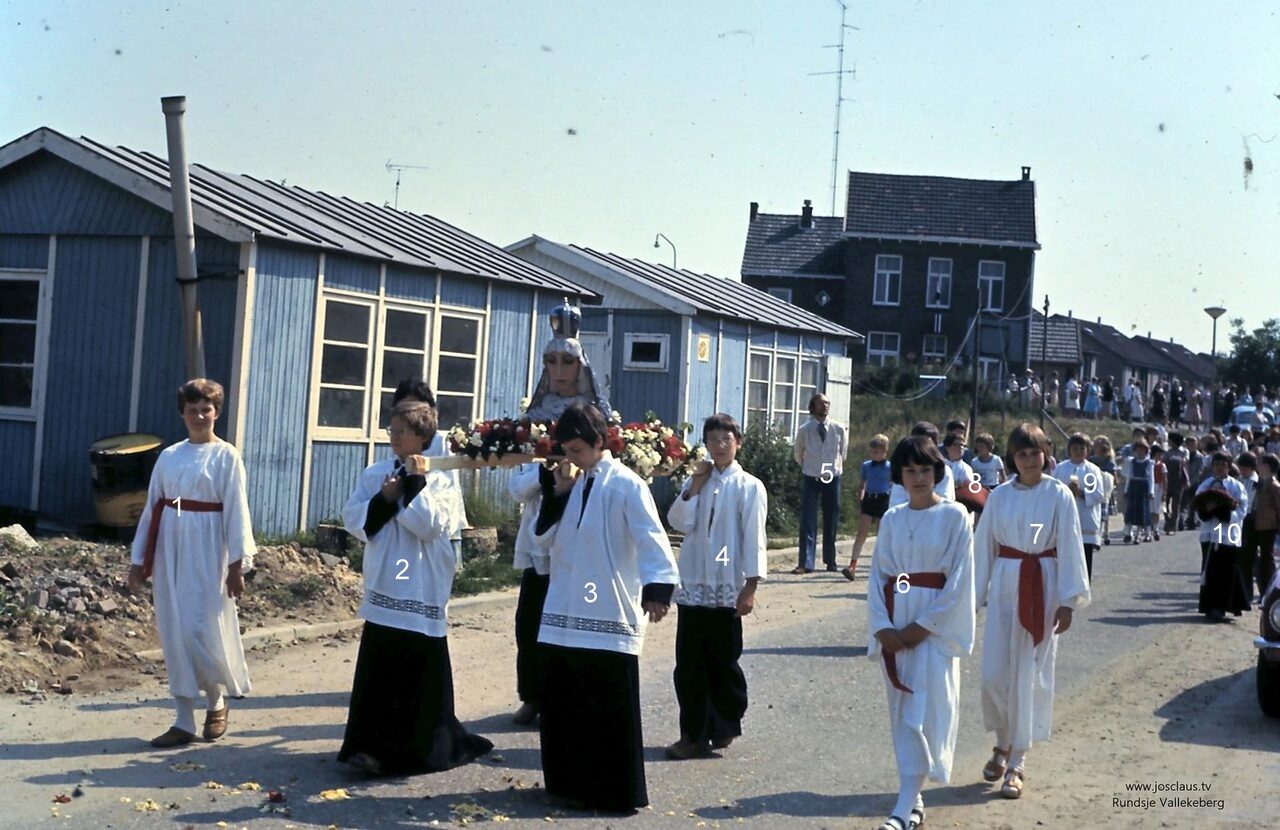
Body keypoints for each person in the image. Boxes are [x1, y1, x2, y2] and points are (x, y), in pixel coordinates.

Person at [532, 403, 680, 812]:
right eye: (567, 450)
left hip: (609, 611)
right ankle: (568, 784)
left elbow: (652, 536)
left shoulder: (627, 485)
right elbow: (542, 538)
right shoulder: (575, 484)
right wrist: (557, 494)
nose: (570, 458)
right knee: (567, 704)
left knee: (605, 707)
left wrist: (657, 588)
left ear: (599, 442)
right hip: (566, 607)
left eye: (577, 449)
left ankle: (612, 790)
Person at [338, 400, 493, 775]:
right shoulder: (376, 473)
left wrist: (413, 488)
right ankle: (370, 747)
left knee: (417, 674)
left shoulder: (442, 479)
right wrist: (384, 499)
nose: (393, 437)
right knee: (381, 673)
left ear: (423, 437)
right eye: (391, 430)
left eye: (401, 431)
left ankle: (421, 749)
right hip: (387, 582)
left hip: (421, 586)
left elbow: (432, 526)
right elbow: (354, 519)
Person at [128, 379, 255, 748]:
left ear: (217, 412)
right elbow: (153, 507)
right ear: (182, 414)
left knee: (202, 628)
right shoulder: (169, 456)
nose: (200, 416)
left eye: (206, 410)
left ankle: (216, 701)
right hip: (171, 544)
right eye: (192, 410)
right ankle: (183, 719)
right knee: (175, 630)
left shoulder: (226, 456)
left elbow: (236, 509)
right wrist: (139, 560)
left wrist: (236, 565)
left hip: (208, 545)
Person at [508, 300, 612, 726]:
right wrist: (549, 475)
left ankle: (570, 693)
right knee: (531, 619)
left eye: (567, 360)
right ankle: (532, 694)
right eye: (551, 360)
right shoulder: (530, 421)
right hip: (541, 533)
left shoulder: (598, 418)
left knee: (577, 615)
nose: (559, 369)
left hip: (583, 530)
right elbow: (517, 486)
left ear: (581, 365)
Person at [974, 423, 1090, 799]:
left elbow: (1072, 545)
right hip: (1008, 583)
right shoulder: (1000, 496)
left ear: (1045, 454)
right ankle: (1003, 740)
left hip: (1043, 583)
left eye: (1034, 452)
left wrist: (1069, 600)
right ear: (1012, 457)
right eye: (1021, 453)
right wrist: (972, 599)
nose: (1028, 459)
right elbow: (983, 547)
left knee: (1028, 674)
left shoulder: (1059, 495)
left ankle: (1017, 761)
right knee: (994, 673)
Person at [867, 437, 975, 830]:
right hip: (896, 621)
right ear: (899, 476)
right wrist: (882, 627)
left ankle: (904, 806)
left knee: (927, 713)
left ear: (937, 473)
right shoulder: (893, 519)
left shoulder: (955, 516)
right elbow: (879, 577)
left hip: (932, 628)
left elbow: (960, 581)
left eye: (925, 470)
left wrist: (922, 627)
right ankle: (910, 801)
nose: (917, 478)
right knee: (902, 714)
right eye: (910, 471)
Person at [665, 413, 767, 759]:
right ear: (705, 445)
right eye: (712, 440)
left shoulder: (749, 486)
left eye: (726, 439)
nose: (719, 446)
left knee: (723, 662)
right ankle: (692, 734)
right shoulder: (699, 481)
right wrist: (694, 485)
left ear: (737, 442)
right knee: (689, 664)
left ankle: (725, 723)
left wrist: (750, 587)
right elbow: (678, 521)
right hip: (694, 583)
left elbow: (754, 538)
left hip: (727, 587)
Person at [392, 378, 468, 564]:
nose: (411, 414)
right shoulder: (399, 437)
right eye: (405, 407)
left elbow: (449, 484)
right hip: (409, 520)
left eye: (417, 408)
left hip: (442, 522)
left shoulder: (440, 441)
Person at [793, 393, 847, 574]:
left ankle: (830, 561)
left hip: (831, 476)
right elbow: (798, 454)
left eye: (827, 403)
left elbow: (842, 453)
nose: (825, 406)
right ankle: (805, 562)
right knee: (808, 519)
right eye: (821, 403)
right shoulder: (805, 430)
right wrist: (810, 466)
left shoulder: (838, 429)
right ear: (812, 406)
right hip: (811, 476)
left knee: (831, 518)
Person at [1193, 451, 1250, 621]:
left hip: (1228, 534)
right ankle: (1210, 607)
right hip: (1210, 533)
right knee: (1210, 570)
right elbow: (1197, 506)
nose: (1219, 468)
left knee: (1227, 570)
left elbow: (1242, 511)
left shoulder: (1236, 487)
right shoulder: (1205, 485)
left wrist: (1225, 514)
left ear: (1228, 467)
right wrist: (1207, 511)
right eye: (1216, 464)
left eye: (1223, 465)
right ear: (1212, 466)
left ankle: (1225, 607)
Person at [1054, 434, 1105, 579]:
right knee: (1064, 556)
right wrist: (1066, 490)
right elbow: (1052, 490)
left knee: (1084, 557)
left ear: (1088, 450)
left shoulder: (1092, 470)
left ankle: (1084, 587)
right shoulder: (1061, 468)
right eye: (1074, 448)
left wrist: (1081, 493)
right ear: (1069, 449)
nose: (1078, 451)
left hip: (1085, 519)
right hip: (1065, 517)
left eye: (1082, 448)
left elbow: (1098, 494)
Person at [846, 434, 892, 581]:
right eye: (872, 451)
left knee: (882, 535)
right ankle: (852, 565)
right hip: (869, 498)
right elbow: (862, 485)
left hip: (883, 499)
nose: (874, 454)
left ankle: (882, 566)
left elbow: (894, 484)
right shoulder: (866, 466)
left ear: (884, 451)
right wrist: (860, 502)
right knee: (862, 533)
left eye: (877, 452)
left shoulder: (890, 467)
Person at [889, 422, 956, 508]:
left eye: (925, 470)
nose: (919, 478)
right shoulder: (903, 468)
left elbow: (945, 500)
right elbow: (896, 503)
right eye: (911, 471)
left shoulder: (943, 470)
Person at [1250, 454, 1280, 598]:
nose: (1258, 466)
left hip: (1269, 527)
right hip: (1259, 525)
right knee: (1260, 560)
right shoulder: (1262, 483)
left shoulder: (1274, 486)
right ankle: (1263, 589)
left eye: (1261, 464)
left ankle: (1267, 591)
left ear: (1268, 466)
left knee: (1266, 561)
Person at [1120, 440, 1154, 544]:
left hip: (1143, 487)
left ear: (1146, 451)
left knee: (1142, 511)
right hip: (1133, 486)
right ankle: (1128, 533)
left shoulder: (1149, 463)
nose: (1140, 452)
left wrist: (1151, 491)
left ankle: (1139, 534)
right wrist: (1126, 490)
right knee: (1130, 510)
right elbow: (1129, 477)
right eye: (1137, 449)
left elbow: (1151, 478)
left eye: (1142, 449)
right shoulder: (1131, 461)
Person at [1090, 436, 1118, 545]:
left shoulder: (1109, 460)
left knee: (1104, 511)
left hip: (1105, 488)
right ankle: (1099, 533)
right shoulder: (1092, 460)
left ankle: (1104, 533)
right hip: (1094, 486)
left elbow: (1113, 475)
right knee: (1095, 510)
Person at [1162, 433, 1190, 534]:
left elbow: (1185, 462)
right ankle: (1167, 521)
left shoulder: (1184, 452)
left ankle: (1172, 526)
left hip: (1179, 481)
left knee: (1175, 506)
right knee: (1164, 504)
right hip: (1167, 480)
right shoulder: (1167, 452)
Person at [1149, 444, 1167, 542]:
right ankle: (1148, 528)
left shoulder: (1162, 465)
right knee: (1148, 509)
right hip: (1149, 487)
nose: (1160, 456)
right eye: (1159, 453)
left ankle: (1155, 528)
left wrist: (1164, 491)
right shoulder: (1149, 463)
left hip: (1158, 487)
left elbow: (1165, 479)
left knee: (1155, 509)